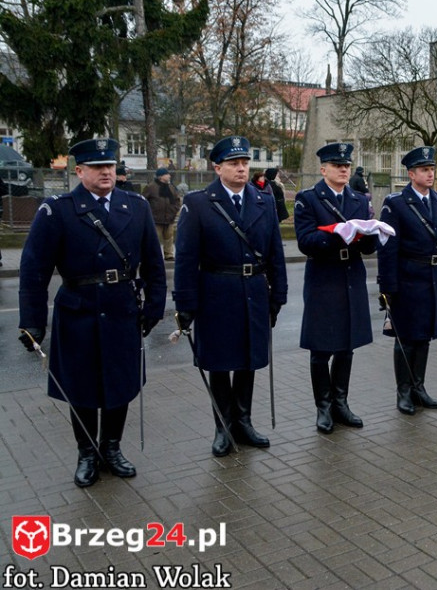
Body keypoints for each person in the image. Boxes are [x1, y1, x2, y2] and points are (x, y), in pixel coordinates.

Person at [19, 138, 165, 487]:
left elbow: (154, 263)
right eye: (98, 167)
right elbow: (34, 270)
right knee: (82, 387)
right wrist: (32, 323)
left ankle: (111, 448)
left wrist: (154, 306)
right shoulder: (58, 210)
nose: (106, 172)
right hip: (79, 311)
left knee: (120, 382)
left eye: (110, 166)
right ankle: (86, 453)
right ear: (79, 171)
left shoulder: (136, 206)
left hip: (122, 309)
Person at [174, 136, 288, 457]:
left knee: (248, 360)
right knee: (221, 363)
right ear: (217, 167)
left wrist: (278, 295)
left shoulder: (263, 200)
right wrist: (185, 304)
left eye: (244, 163)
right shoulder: (199, 203)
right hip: (217, 293)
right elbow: (186, 259)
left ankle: (243, 421)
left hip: (254, 292)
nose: (241, 169)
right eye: (234, 163)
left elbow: (276, 254)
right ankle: (222, 427)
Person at [294, 143, 376, 433]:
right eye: (337, 165)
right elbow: (305, 241)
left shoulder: (358, 199)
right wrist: (337, 234)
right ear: (323, 169)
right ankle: (324, 407)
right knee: (321, 348)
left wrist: (372, 235)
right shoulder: (309, 199)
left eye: (347, 165)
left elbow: (367, 246)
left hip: (350, 276)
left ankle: (341, 403)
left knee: (346, 345)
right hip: (324, 277)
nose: (343, 169)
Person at [377, 146, 437, 415]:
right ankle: (403, 391)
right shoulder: (397, 204)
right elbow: (387, 249)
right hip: (408, 279)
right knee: (406, 338)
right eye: (424, 170)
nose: (430, 174)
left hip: (433, 278)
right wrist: (388, 288)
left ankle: (418, 387)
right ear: (411, 174)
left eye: (431, 169)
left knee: (424, 337)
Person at [143, 167, 181, 261]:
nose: (169, 176)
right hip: (155, 219)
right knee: (154, 238)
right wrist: (149, 213)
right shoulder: (151, 187)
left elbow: (177, 200)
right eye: (167, 174)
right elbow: (143, 201)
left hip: (169, 218)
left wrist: (174, 210)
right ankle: (153, 256)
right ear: (161, 176)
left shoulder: (171, 187)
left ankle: (169, 254)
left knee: (169, 238)